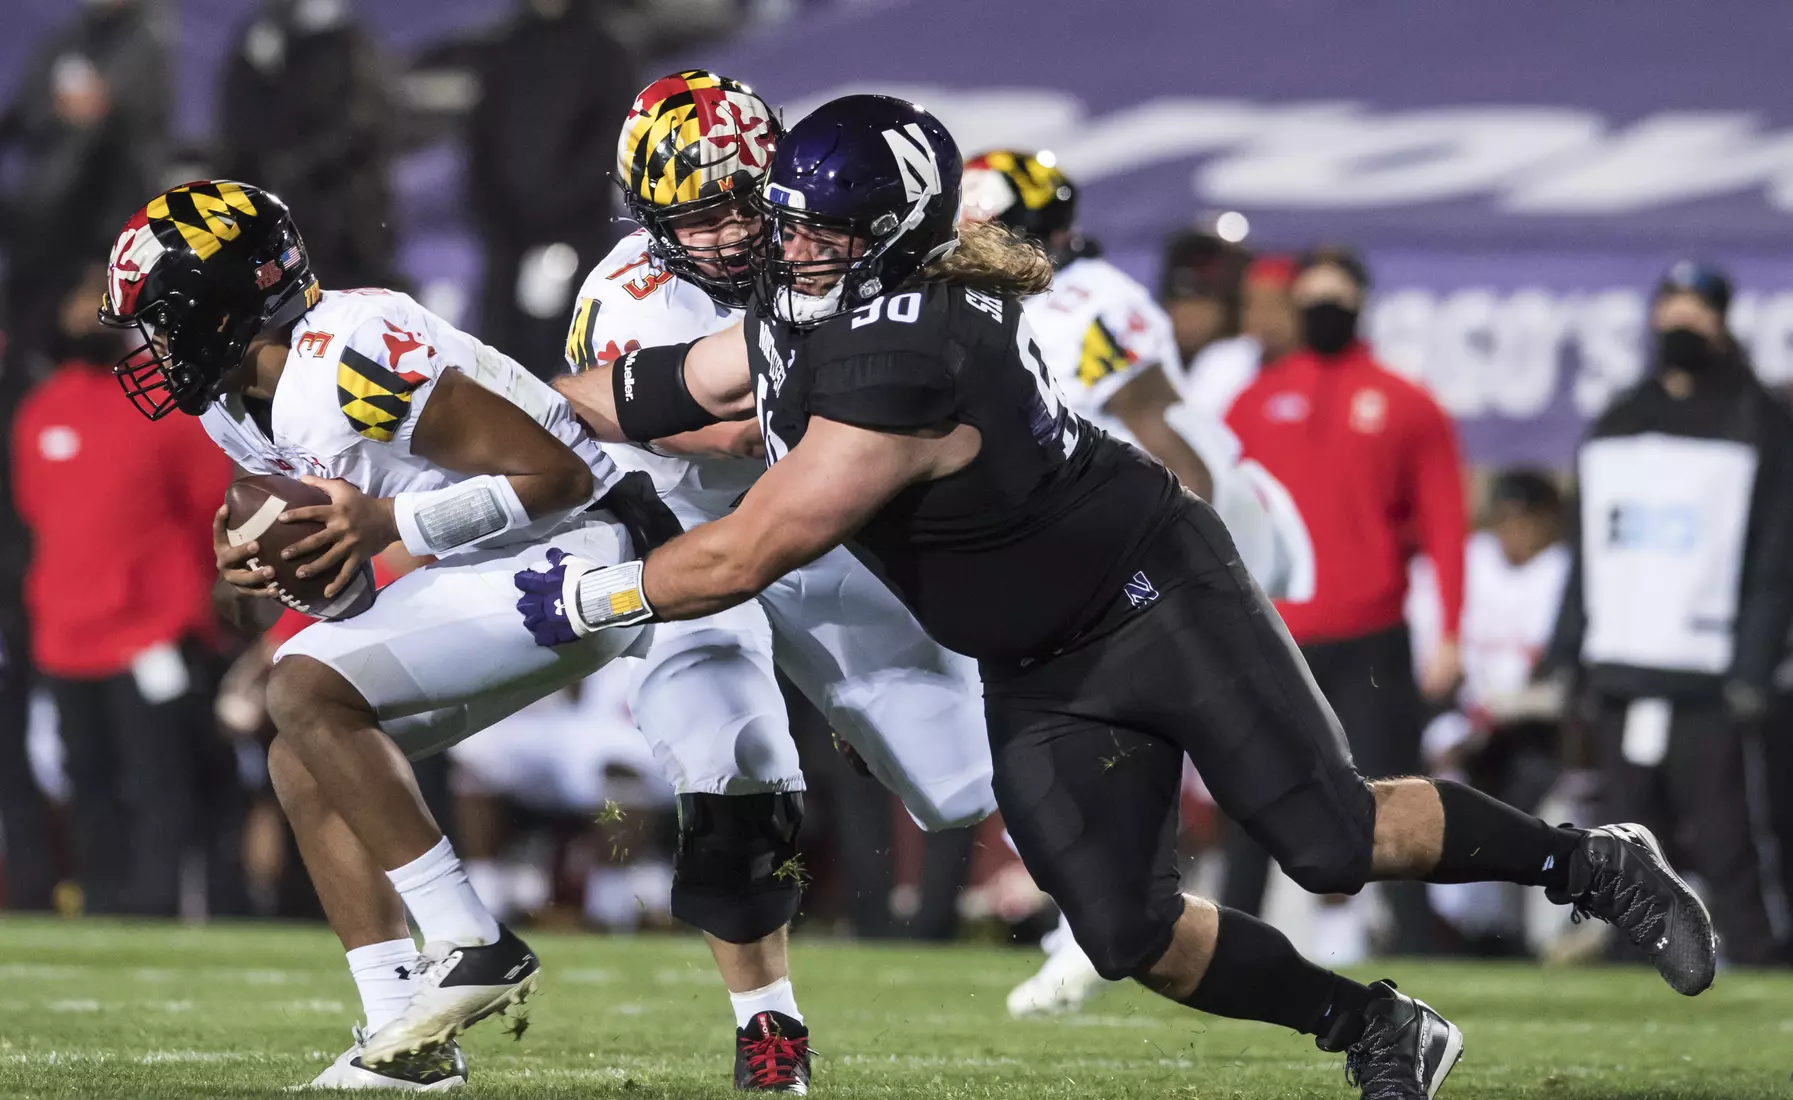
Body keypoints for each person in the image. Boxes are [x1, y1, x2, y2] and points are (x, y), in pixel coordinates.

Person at [525, 94, 1717, 1100]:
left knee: (1329, 839)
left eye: (816, 233)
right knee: (1126, 933)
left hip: (1150, 594)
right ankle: (1374, 1027)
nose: (786, 252)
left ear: (886, 236)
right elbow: (653, 386)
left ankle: (1590, 864)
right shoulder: (825, 304)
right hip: (1034, 667)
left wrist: (579, 600)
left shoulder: (907, 354)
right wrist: (489, 415)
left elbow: (744, 553)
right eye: (786, 226)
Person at [97, 180, 677, 1088]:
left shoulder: (350, 351)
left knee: (302, 688)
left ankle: (469, 938)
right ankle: (405, 1040)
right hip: (486, 568)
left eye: (165, 319)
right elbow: (321, 593)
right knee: (302, 749)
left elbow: (558, 474)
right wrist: (247, 575)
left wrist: (393, 528)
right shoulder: (229, 405)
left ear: (229, 299)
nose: (154, 345)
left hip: (588, 550)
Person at [566, 71, 994, 1090]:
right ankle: (769, 1029)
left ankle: (1122, 915)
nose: (717, 234)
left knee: (965, 783)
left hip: (824, 530)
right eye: (690, 214)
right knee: (734, 774)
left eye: (733, 203)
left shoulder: (829, 241)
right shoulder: (626, 291)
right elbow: (697, 421)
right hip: (692, 541)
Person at [1544, 261, 1793, 969]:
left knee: (1729, 833)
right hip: (1622, 658)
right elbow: (1591, 545)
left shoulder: (1757, 417)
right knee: (1627, 835)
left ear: (1720, 320)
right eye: (1671, 306)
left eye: (1697, 309)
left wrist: (1753, 662)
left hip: (1709, 669)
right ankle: (1638, 953)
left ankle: (1758, 948)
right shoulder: (1620, 416)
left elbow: (1776, 556)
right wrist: (1567, 645)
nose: (1682, 321)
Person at [1222, 248, 1466, 957]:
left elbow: (1445, 526)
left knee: (1396, 801)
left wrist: (1449, 632)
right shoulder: (1252, 402)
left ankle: (1419, 947)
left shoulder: (1405, 402)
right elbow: (1222, 520)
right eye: (1314, 296)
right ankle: (1234, 946)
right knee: (1252, 802)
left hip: (1370, 637)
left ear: (1360, 304)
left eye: (1339, 296)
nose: (1326, 308)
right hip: (1275, 636)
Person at [12, 264, 238, 918]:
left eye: (100, 303)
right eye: (79, 300)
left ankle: (162, 911)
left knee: (160, 786)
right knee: (88, 783)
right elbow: (37, 513)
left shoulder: (165, 403)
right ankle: (102, 908)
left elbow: (210, 515)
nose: (87, 315)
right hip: (64, 634)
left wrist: (196, 608)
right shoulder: (41, 409)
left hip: (153, 633)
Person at [1417, 470, 1572, 950]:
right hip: (1460, 719)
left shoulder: (1566, 572)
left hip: (1537, 727)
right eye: (1507, 520)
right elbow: (1431, 671)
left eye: (1529, 520)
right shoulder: (1467, 563)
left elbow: (1563, 684)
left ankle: (1526, 929)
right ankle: (1452, 927)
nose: (1517, 532)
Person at [468, 0, 639, 378]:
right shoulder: (506, 48)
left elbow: (610, 137)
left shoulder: (604, 50)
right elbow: (480, 137)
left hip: (575, 228)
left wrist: (558, 203)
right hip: (508, 228)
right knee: (502, 350)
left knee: (567, 349)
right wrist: (491, 209)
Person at [0, 0, 169, 378]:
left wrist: (100, 269)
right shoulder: (67, 39)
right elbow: (24, 108)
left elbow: (137, 151)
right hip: (37, 228)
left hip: (92, 235)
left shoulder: (147, 47)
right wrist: (56, 107)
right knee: (21, 345)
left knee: (70, 350)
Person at [217, 0, 399, 290]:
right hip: (275, 222)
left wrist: (298, 165)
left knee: (340, 314)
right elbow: (237, 129)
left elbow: (362, 125)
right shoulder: (258, 41)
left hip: (344, 224)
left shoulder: (345, 42)